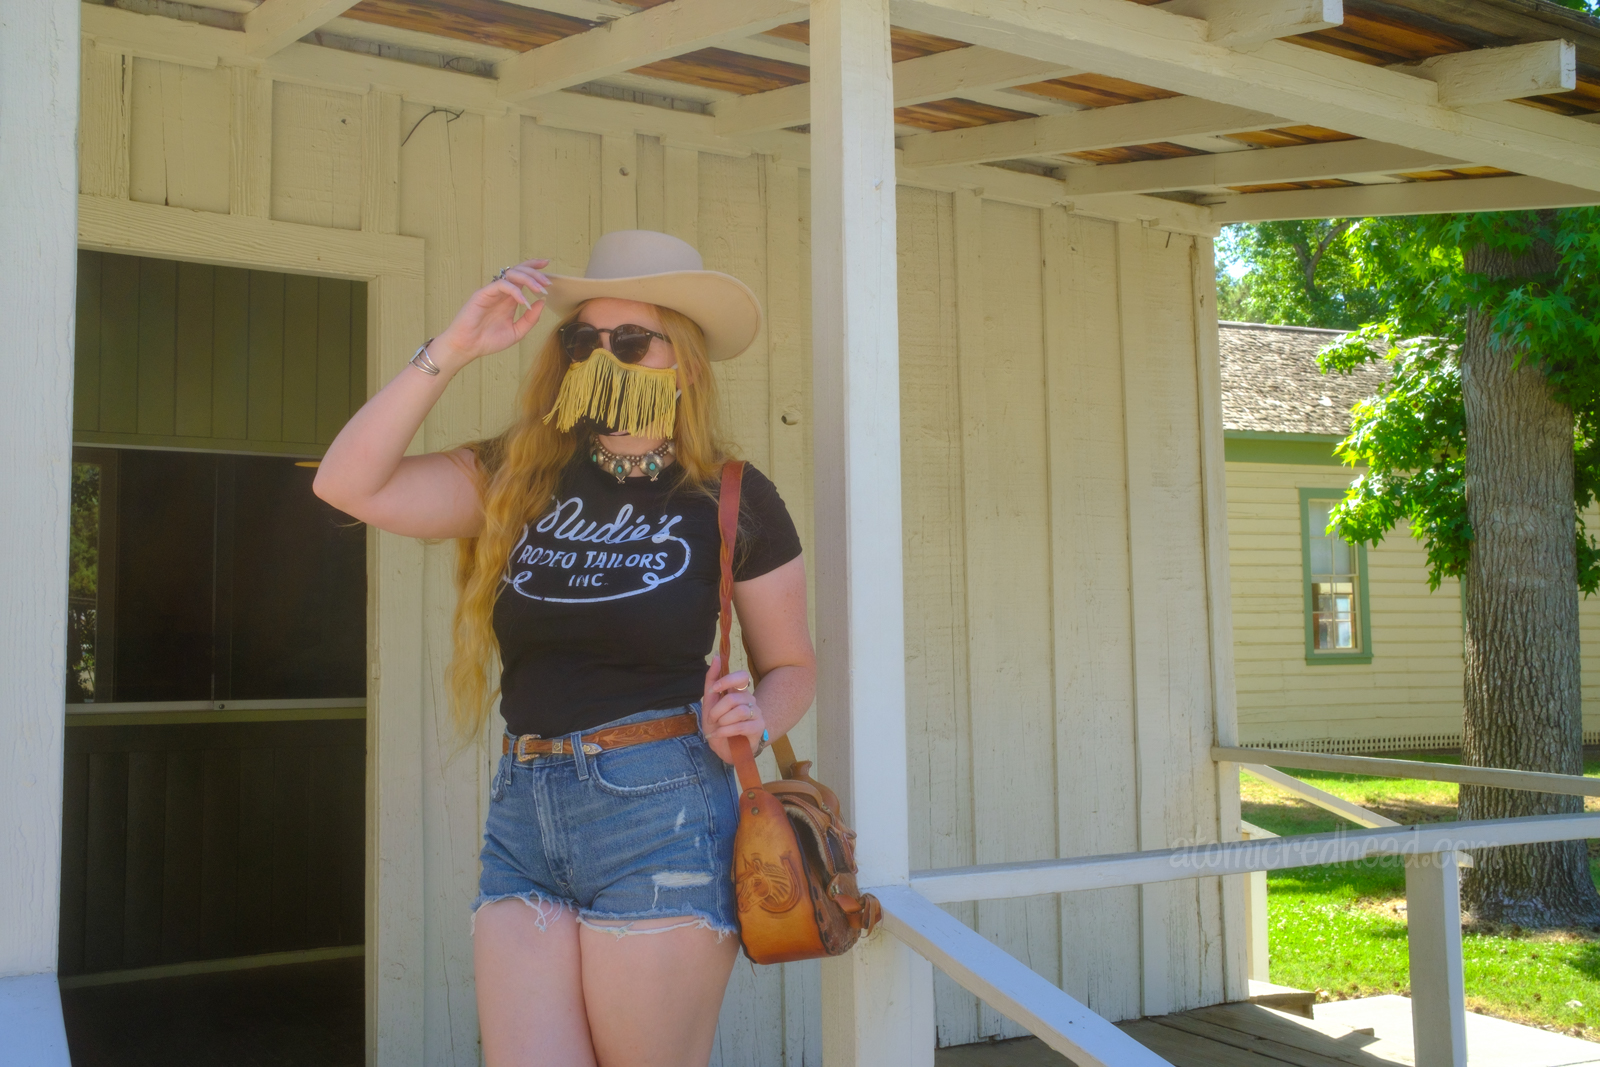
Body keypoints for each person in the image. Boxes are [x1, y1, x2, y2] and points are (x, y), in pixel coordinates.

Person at [314, 230, 815, 1067]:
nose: (601, 355)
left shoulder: (731, 495)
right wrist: (456, 346)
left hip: (666, 808)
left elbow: (792, 664)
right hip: (525, 809)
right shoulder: (520, 473)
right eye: (582, 339)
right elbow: (346, 482)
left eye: (629, 340)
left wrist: (758, 716)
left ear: (680, 360)